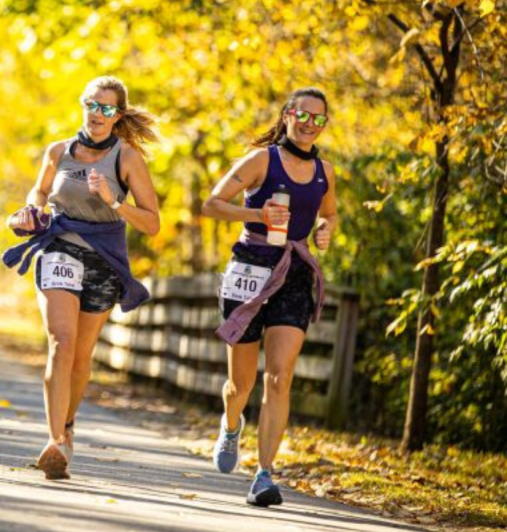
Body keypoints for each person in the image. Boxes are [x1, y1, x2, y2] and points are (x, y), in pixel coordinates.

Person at [4, 76, 160, 480]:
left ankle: (68, 427)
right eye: (92, 104)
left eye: (107, 108)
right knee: (61, 342)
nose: (97, 114)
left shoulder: (126, 158)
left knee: (81, 356)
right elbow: (38, 193)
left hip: (105, 258)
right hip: (59, 248)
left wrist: (115, 201)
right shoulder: (58, 151)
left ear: (118, 115)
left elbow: (153, 223)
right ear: (83, 105)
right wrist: (31, 211)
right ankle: (55, 440)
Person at [199, 87, 338, 506]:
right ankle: (231, 423)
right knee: (240, 384)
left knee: (280, 376)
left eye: (319, 119)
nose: (310, 124)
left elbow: (329, 212)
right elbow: (212, 204)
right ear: (288, 114)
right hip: (249, 271)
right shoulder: (262, 160)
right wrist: (257, 214)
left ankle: (263, 474)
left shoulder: (325, 172)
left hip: (294, 273)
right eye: (304, 115)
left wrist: (326, 229)